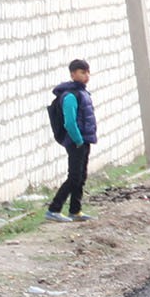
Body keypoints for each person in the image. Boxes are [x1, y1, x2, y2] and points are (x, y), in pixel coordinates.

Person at [46, 58, 96, 222]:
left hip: (85, 140)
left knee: (81, 176)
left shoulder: (83, 93)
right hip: (76, 142)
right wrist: (78, 140)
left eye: (88, 72)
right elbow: (70, 121)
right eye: (82, 72)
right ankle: (54, 208)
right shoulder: (70, 96)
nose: (86, 76)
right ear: (73, 74)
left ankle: (75, 210)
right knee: (74, 177)